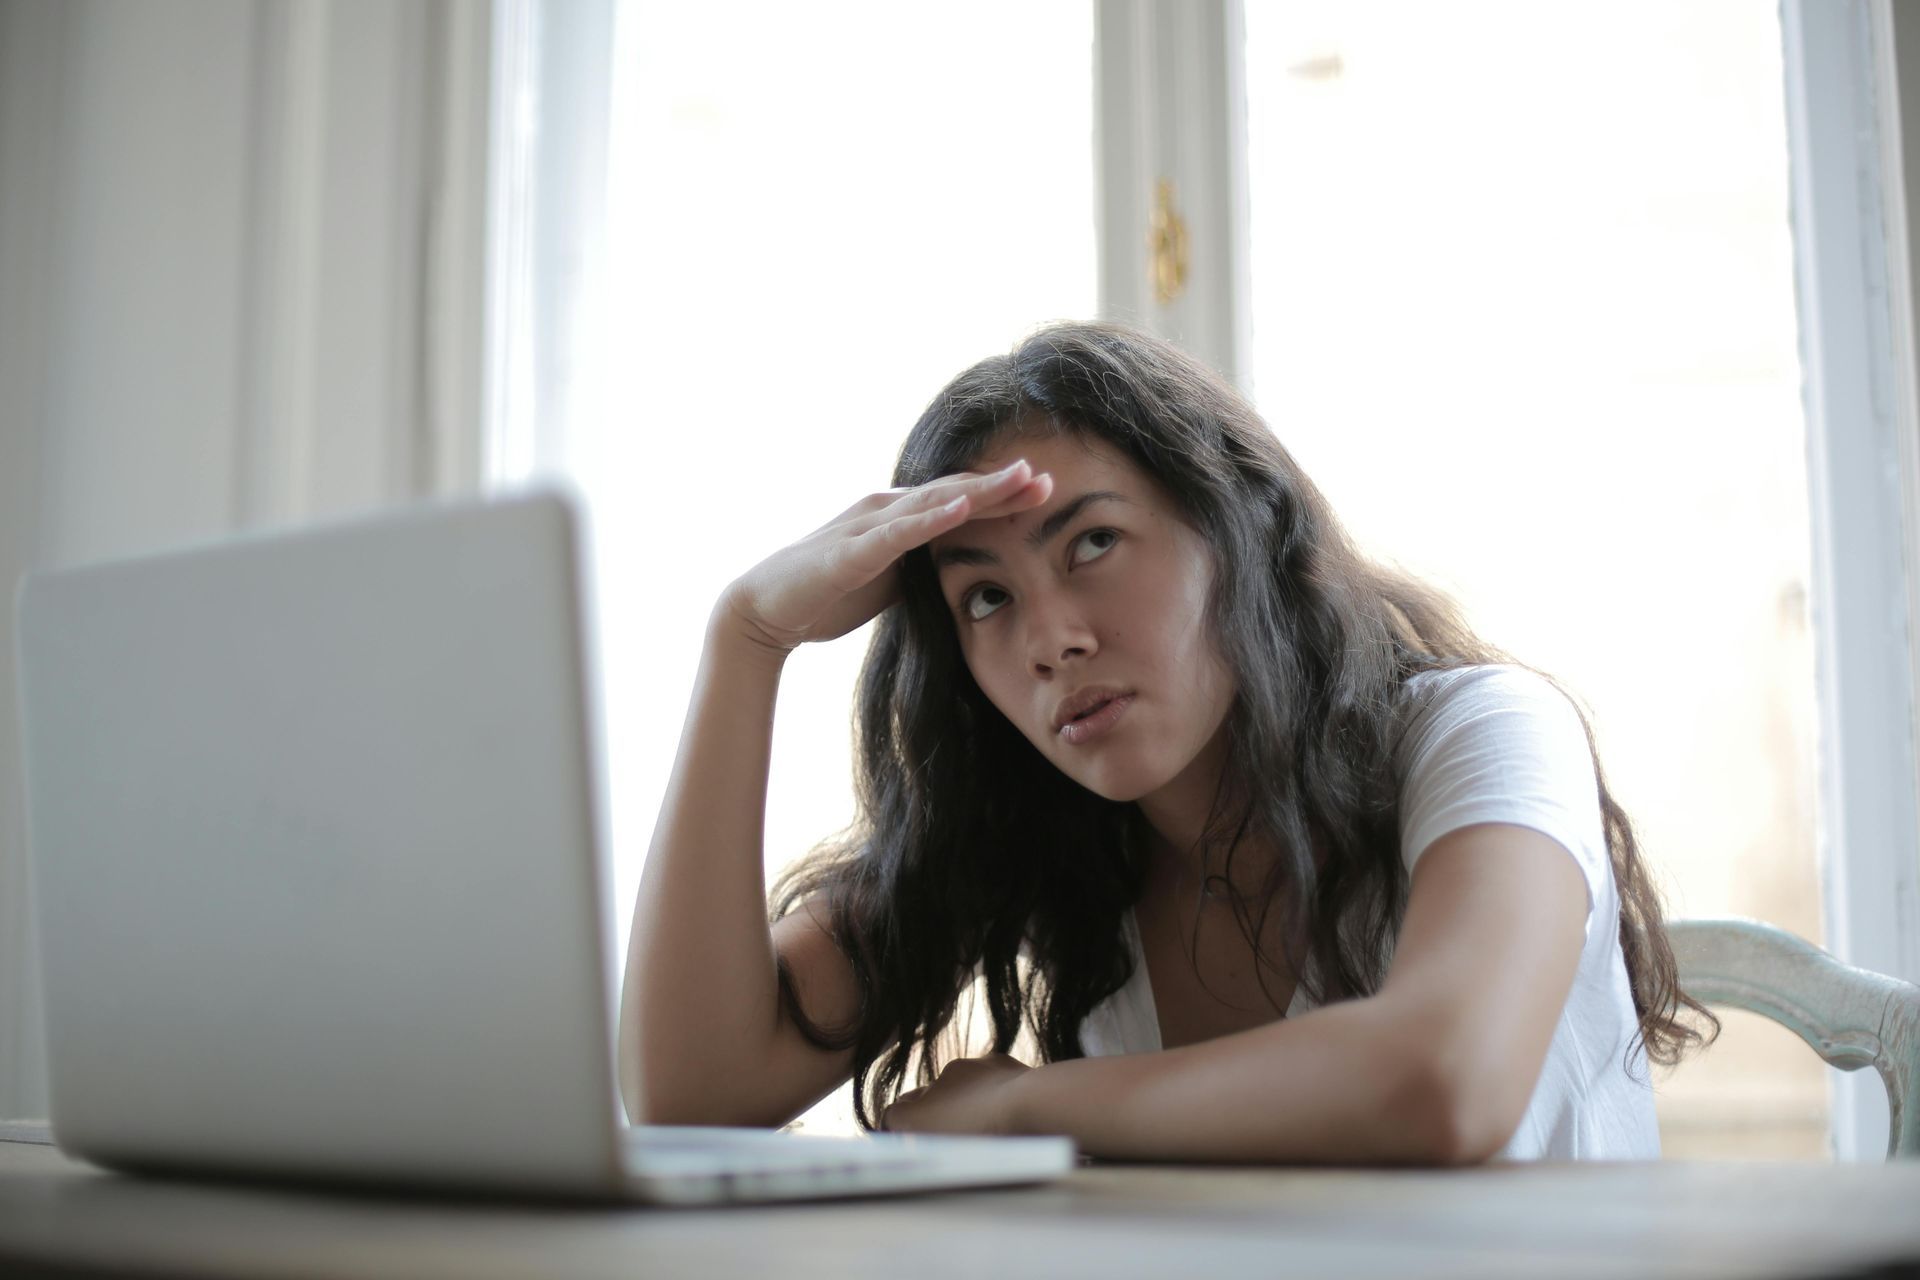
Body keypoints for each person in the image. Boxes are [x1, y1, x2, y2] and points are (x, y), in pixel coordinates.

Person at [618, 321, 1717, 1164]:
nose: (1052, 637)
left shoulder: (1483, 732)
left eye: (1093, 540)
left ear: (1237, 526)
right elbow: (691, 1092)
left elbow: (1447, 1078)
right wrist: (746, 638)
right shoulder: (1040, 828)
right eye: (987, 597)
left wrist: (1019, 1104)